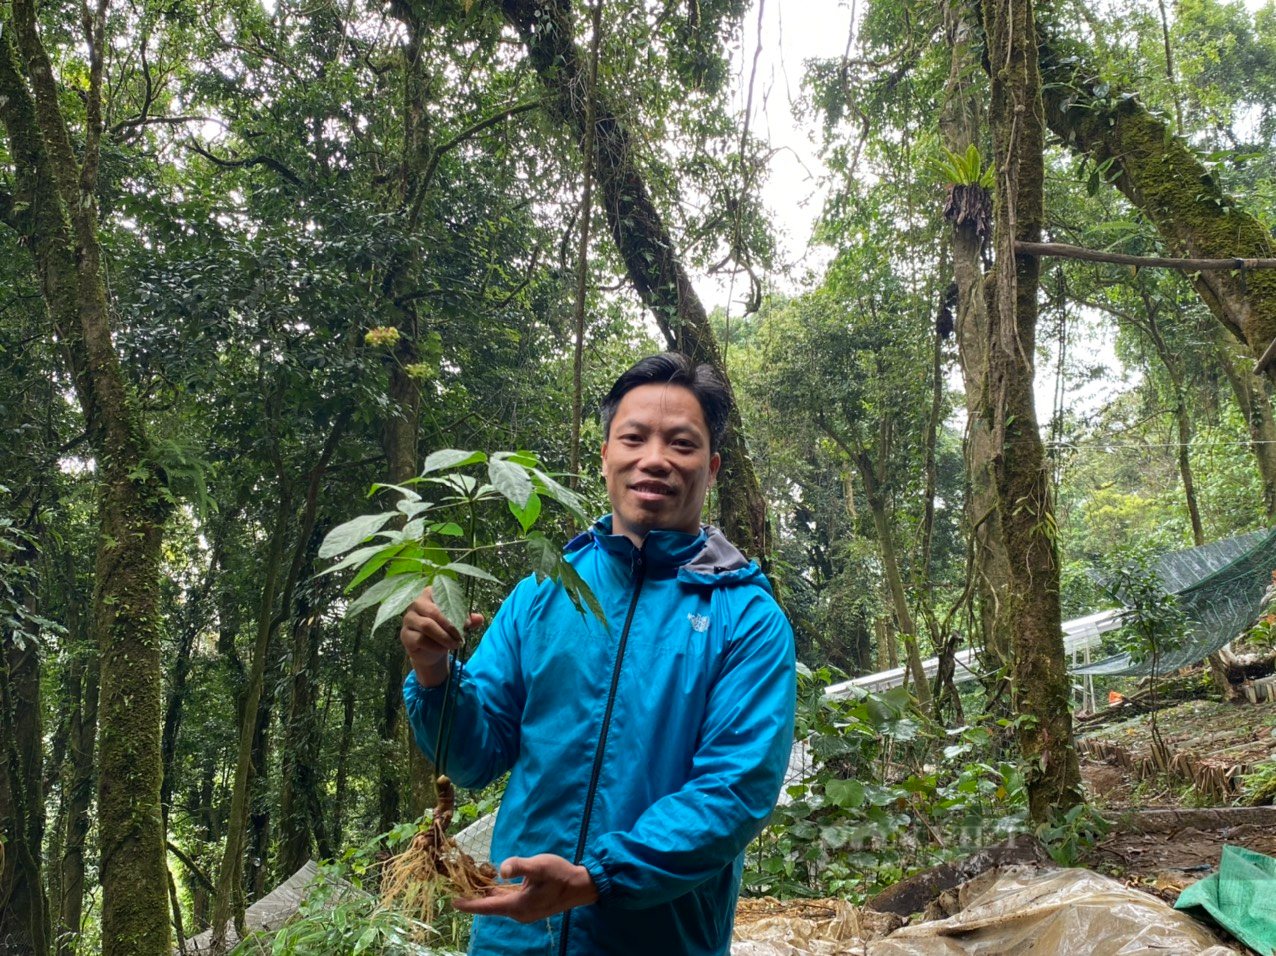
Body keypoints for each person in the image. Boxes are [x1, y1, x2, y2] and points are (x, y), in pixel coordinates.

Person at [400, 353, 796, 956]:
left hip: (659, 942)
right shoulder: (543, 592)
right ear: (606, 455)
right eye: (633, 438)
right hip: (516, 938)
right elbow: (475, 757)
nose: (655, 459)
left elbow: (735, 790)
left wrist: (595, 880)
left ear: (710, 468)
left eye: (681, 444)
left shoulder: (746, 618)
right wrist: (433, 673)